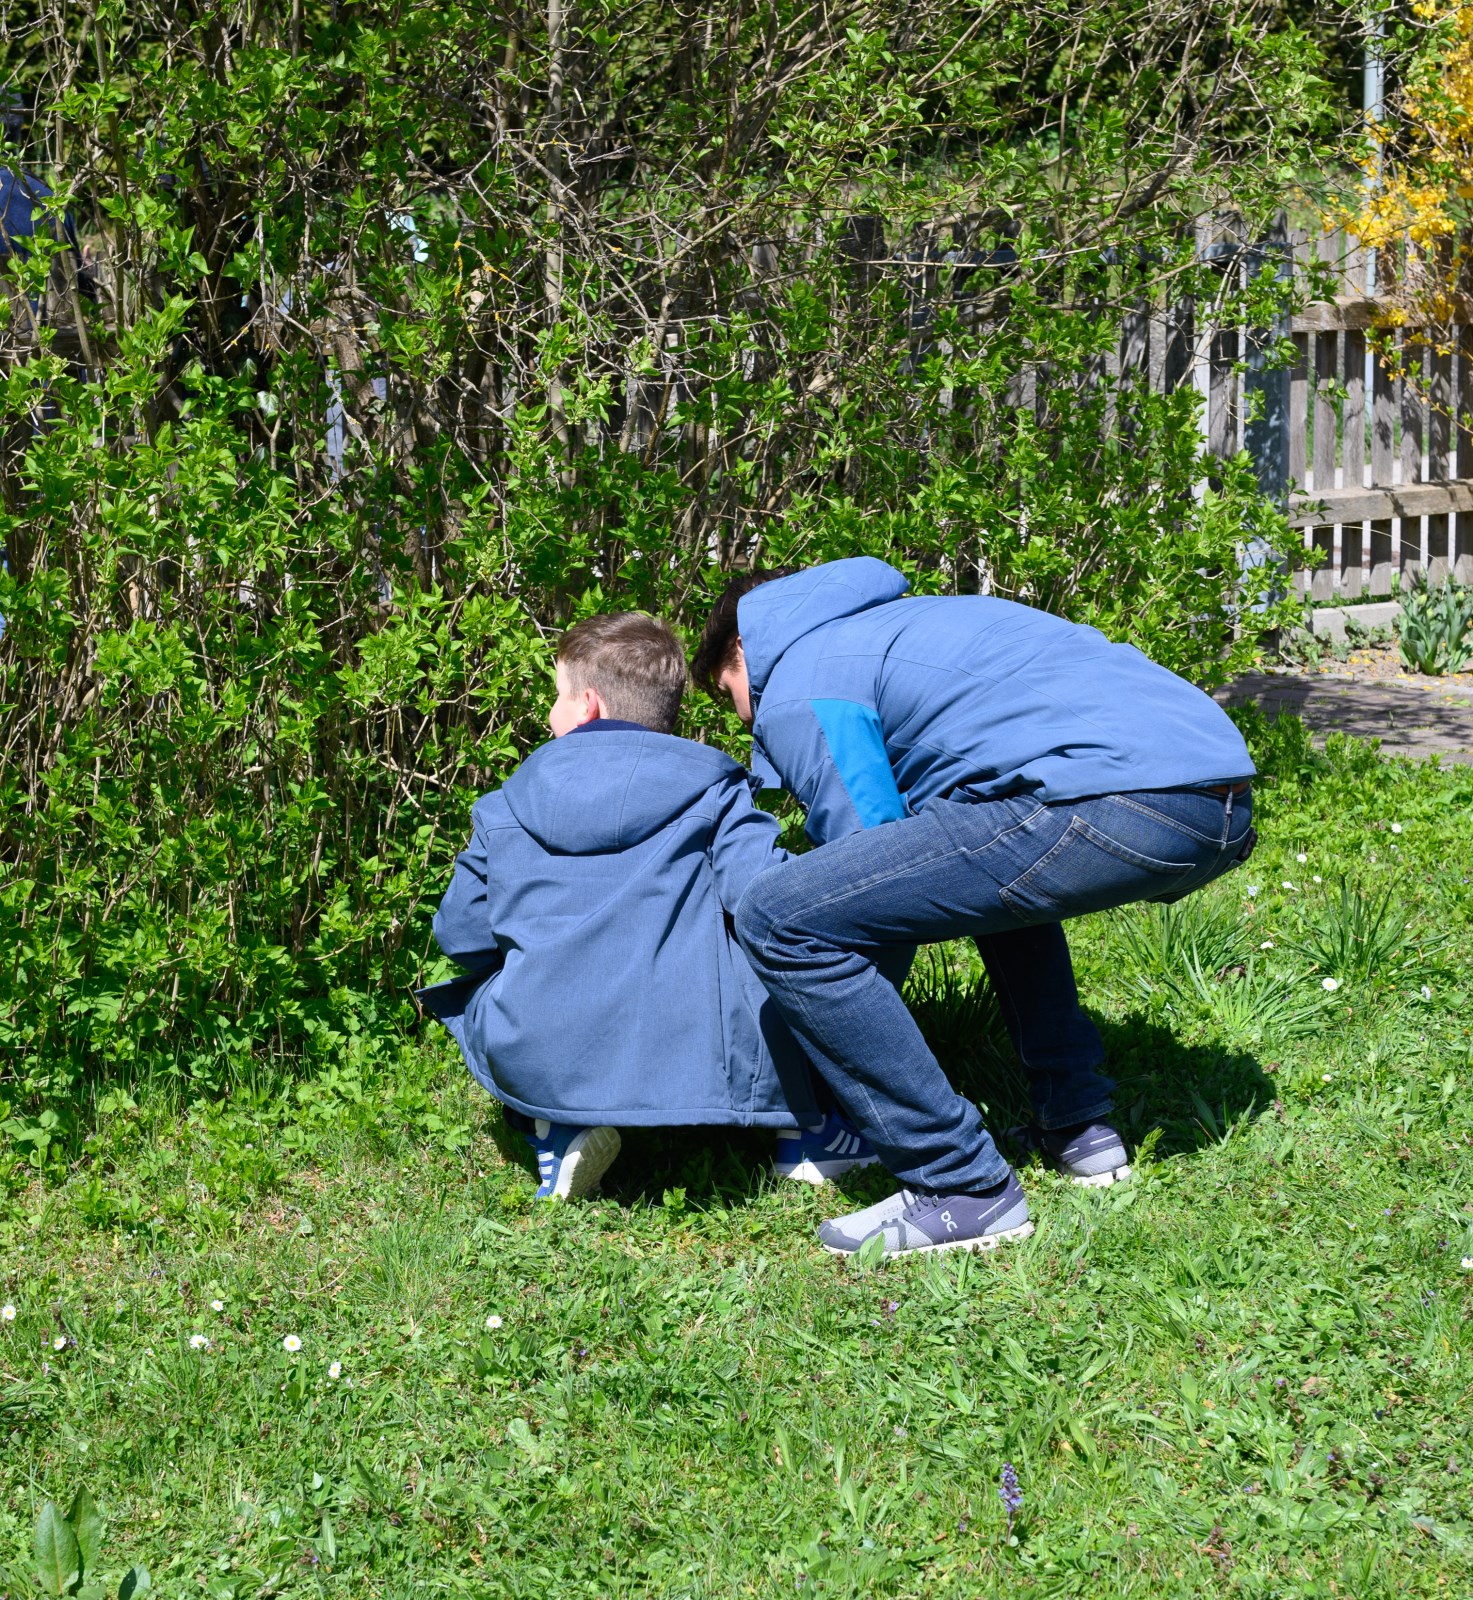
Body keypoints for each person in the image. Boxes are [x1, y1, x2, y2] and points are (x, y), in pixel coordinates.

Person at [692, 557, 1257, 1258]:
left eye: (726, 693)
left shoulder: (799, 676)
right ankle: (1077, 1124)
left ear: (741, 648)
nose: (741, 717)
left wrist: (800, 1071)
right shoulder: (912, 625)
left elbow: (860, 868)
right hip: (1217, 802)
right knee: (985, 860)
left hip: (1113, 804)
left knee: (780, 916)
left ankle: (959, 1185)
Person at [418, 612, 879, 1199]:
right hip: (704, 1048)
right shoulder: (717, 787)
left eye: (555, 698)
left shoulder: (503, 807)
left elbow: (461, 936)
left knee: (479, 988)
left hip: (547, 1043)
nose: (548, 714)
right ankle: (806, 1133)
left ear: (587, 705)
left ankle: (556, 1125)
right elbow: (764, 897)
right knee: (774, 948)